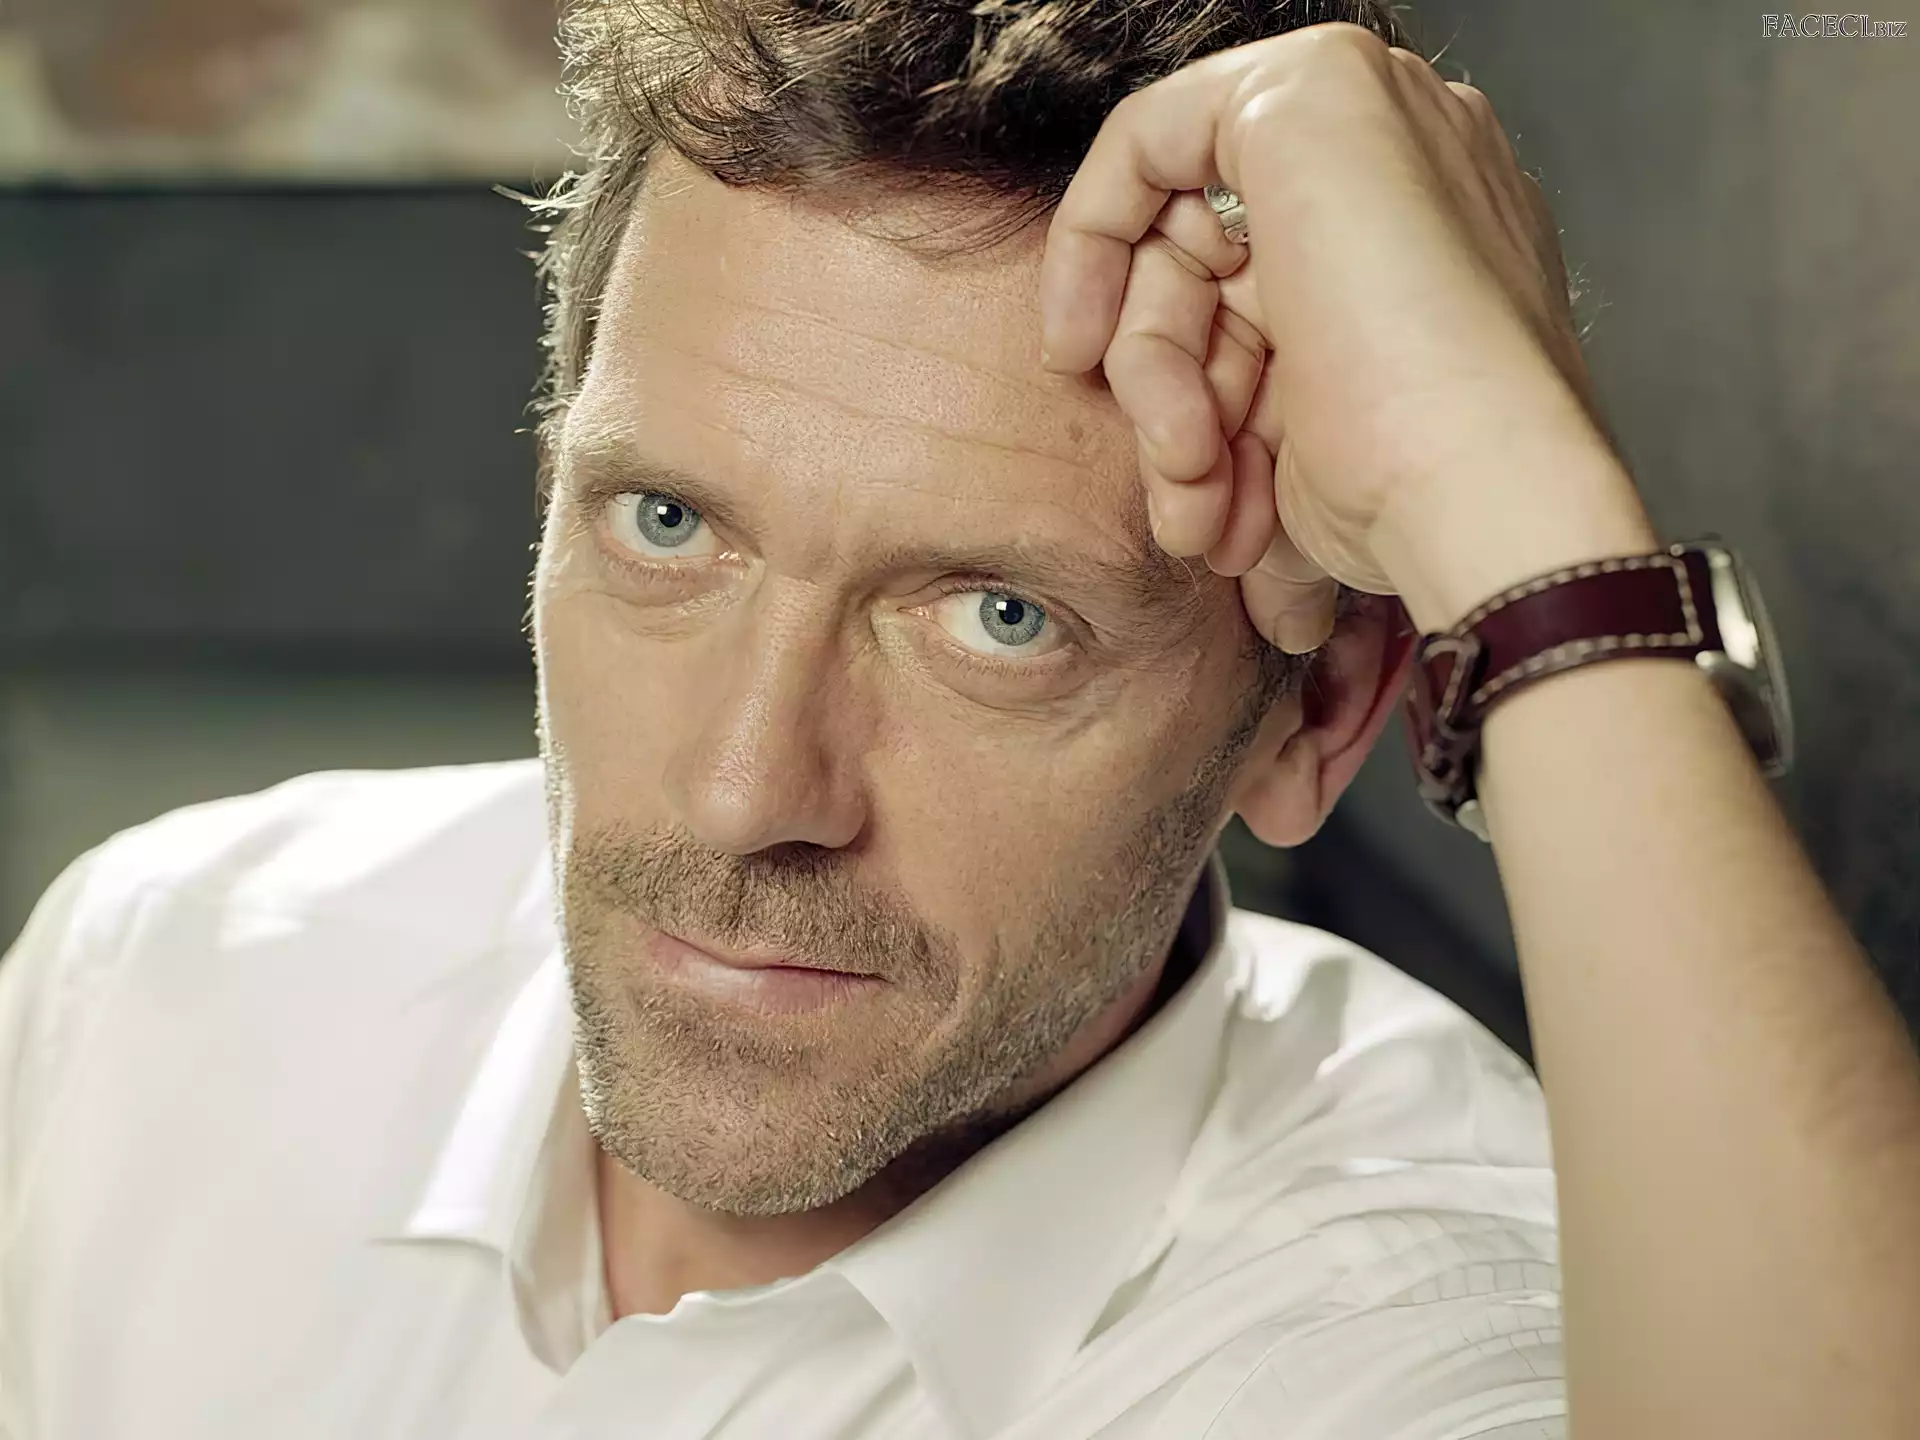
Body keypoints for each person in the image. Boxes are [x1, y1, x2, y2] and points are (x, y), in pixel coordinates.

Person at [3, 1, 1917, 1437]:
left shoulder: (1409, 1327)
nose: (749, 789)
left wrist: (1527, 526)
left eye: (1002, 620)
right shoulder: (168, 975)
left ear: (1321, 711)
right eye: (667, 526)